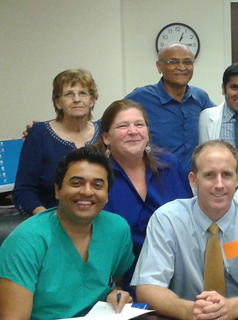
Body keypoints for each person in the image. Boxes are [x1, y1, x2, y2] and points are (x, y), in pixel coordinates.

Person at [132, 140, 238, 320]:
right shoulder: (167, 220)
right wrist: (190, 311)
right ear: (193, 179)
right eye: (209, 175)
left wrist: (232, 308)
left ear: (237, 178)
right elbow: (147, 289)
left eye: (226, 175)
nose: (219, 184)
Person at [0, 147, 134, 319]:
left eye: (97, 185)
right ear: (57, 190)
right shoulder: (26, 241)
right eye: (76, 183)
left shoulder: (117, 229)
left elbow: (114, 283)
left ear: (107, 195)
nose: (87, 191)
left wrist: (115, 294)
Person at [94, 99, 193, 298]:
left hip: (179, 276)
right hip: (118, 284)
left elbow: (191, 219)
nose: (133, 131)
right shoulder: (96, 175)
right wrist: (113, 288)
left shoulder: (169, 165)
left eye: (139, 124)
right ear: (106, 137)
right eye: (123, 126)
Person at [13, 69, 102, 215]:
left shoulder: (104, 132)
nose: (77, 99)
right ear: (58, 103)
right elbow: (23, 192)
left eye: (83, 93)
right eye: (69, 94)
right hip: (51, 223)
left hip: (100, 221)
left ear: (92, 100)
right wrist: (49, 219)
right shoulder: (39, 134)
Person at [125, 42, 215, 172]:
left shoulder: (199, 97)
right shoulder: (141, 97)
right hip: (156, 181)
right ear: (159, 66)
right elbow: (109, 122)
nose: (182, 67)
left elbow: (221, 116)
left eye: (187, 62)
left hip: (193, 183)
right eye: (173, 62)